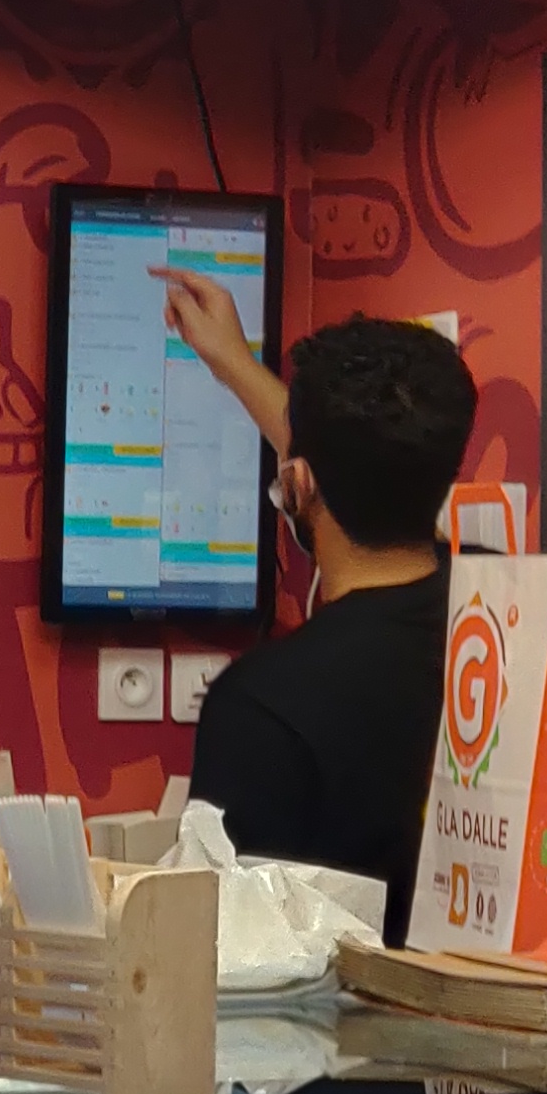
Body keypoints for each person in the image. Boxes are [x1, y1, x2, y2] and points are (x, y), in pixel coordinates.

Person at [154, 268, 479, 912]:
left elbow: (223, 943)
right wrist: (234, 365)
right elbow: (364, 461)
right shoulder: (503, 617)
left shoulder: (265, 704)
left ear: (296, 485)